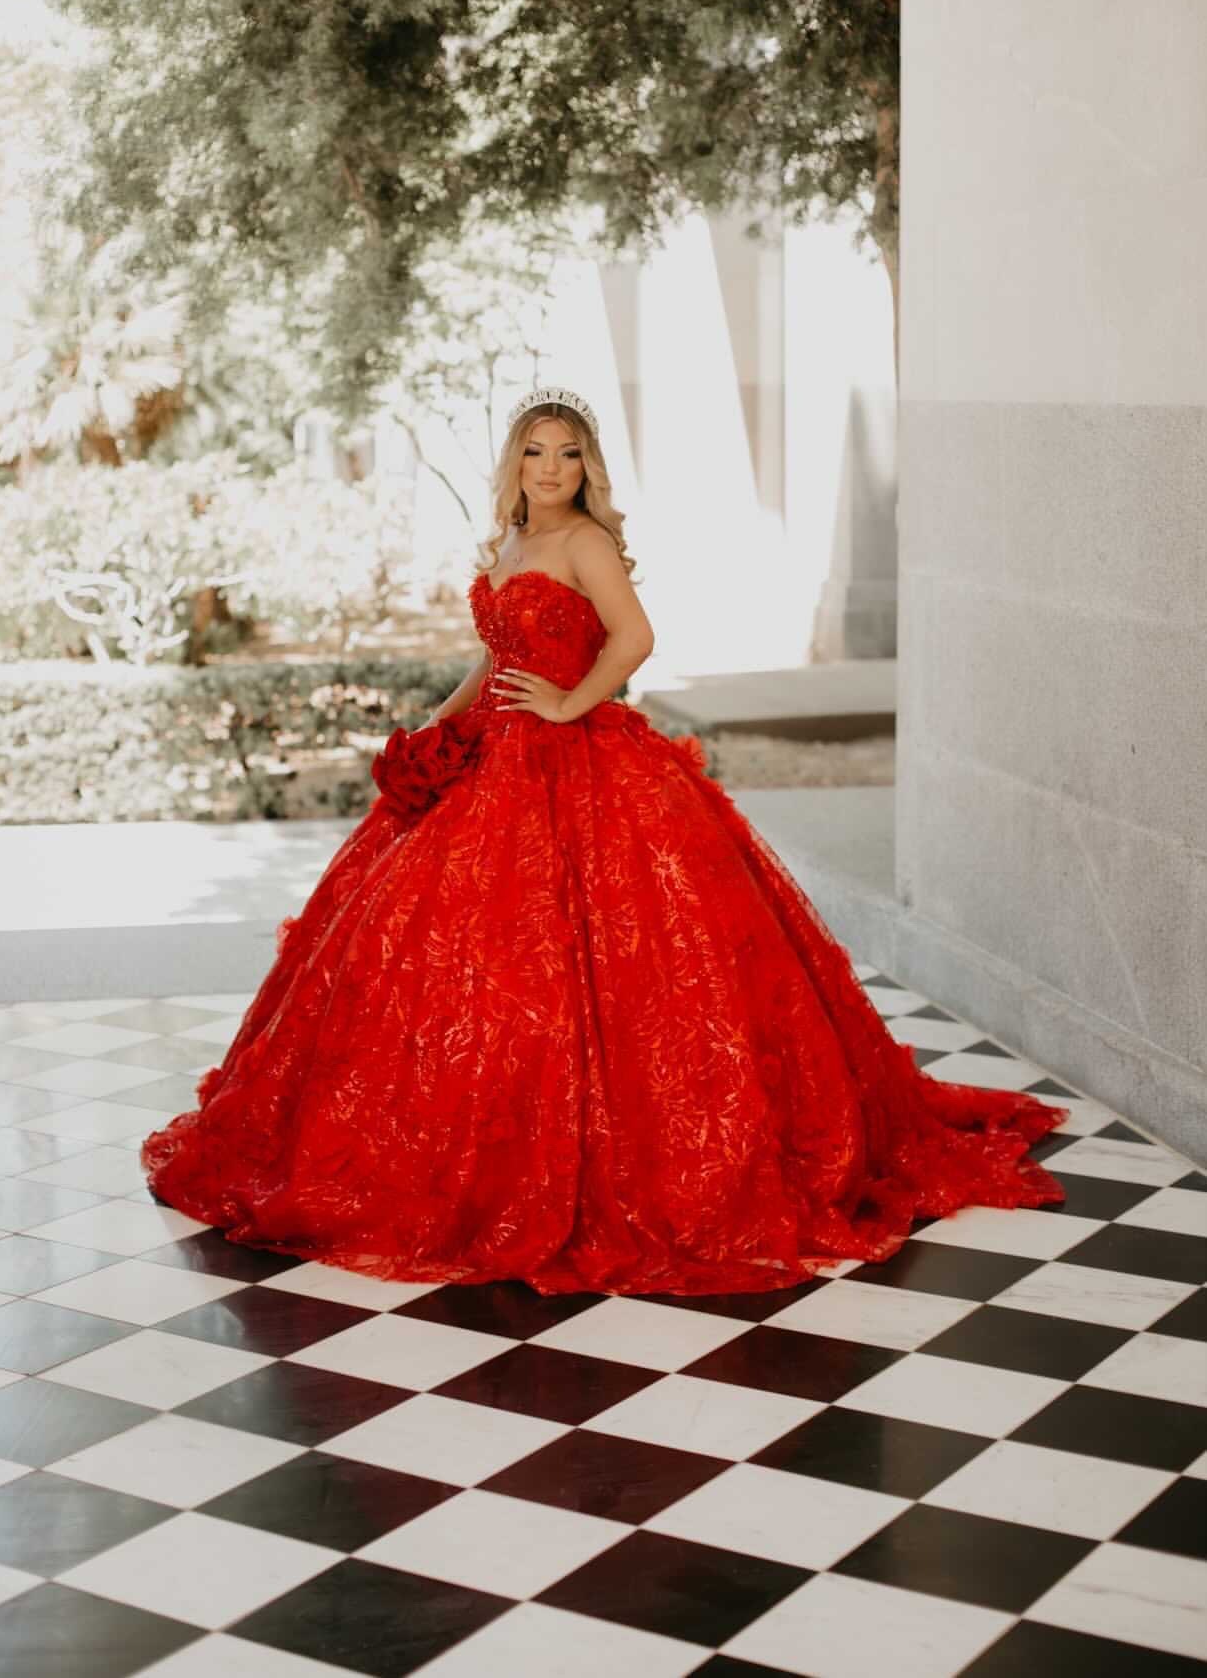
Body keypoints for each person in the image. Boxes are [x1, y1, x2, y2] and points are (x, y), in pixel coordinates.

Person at [141, 384, 1067, 1297]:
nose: (551, 468)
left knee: (612, 960)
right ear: (516, 463)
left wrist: (569, 704)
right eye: (536, 452)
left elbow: (633, 639)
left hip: (574, 764)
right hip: (492, 760)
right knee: (447, 959)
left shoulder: (585, 542)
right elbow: (497, 655)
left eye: (568, 453)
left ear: (588, 468)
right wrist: (442, 721)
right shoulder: (515, 539)